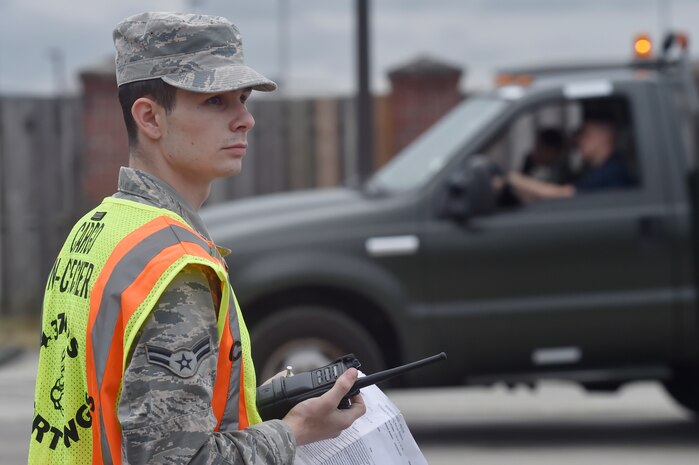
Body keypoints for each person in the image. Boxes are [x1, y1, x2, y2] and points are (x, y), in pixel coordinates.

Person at [29, 12, 365, 464]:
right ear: (150, 117)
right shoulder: (174, 267)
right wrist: (296, 431)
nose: (245, 118)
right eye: (215, 101)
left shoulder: (95, 231)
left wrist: (244, 402)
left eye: (243, 99)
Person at [506, 118, 635, 203]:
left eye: (586, 134)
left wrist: (514, 179)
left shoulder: (612, 171)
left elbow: (563, 195)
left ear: (604, 137)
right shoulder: (593, 169)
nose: (579, 141)